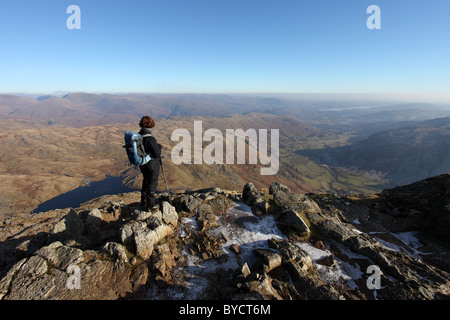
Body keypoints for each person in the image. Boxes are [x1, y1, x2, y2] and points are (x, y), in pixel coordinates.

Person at [138, 116, 162, 211]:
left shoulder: (139, 136)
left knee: (146, 180)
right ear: (151, 125)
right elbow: (157, 154)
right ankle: (150, 205)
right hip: (151, 164)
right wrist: (159, 147)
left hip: (142, 164)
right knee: (152, 182)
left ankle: (143, 201)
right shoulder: (150, 139)